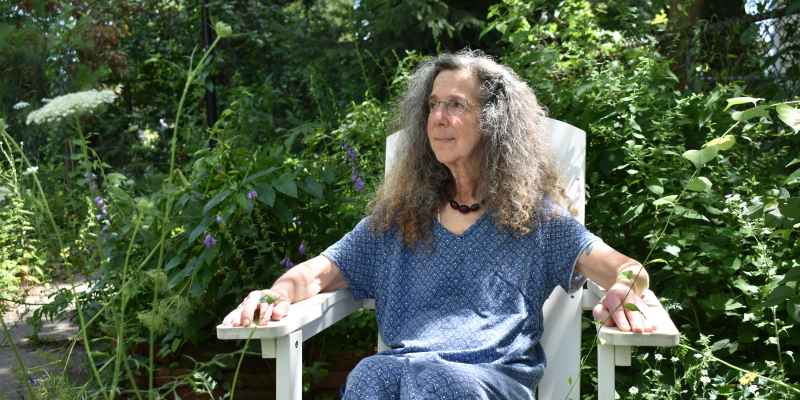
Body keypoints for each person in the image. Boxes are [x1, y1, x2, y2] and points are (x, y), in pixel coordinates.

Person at [222, 50, 654, 399]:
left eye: (455, 105)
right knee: (370, 376)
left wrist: (626, 288)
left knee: (441, 382)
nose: (438, 117)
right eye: (432, 105)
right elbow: (318, 273)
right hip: (401, 374)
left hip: (485, 381)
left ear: (492, 122)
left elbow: (625, 268)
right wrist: (274, 293)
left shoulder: (537, 222)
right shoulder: (398, 221)